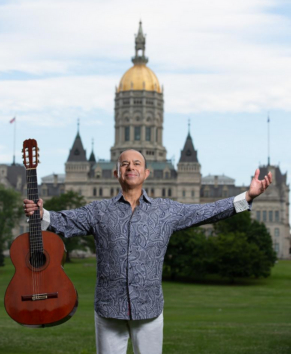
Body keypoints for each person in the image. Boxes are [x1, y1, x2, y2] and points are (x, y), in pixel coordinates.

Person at [24, 149, 272, 354]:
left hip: (149, 310)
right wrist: (41, 213)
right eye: (124, 164)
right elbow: (66, 221)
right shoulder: (97, 211)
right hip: (110, 310)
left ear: (146, 172)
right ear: (116, 172)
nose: (130, 167)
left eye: (136, 163)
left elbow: (206, 212)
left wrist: (247, 197)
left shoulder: (166, 211)